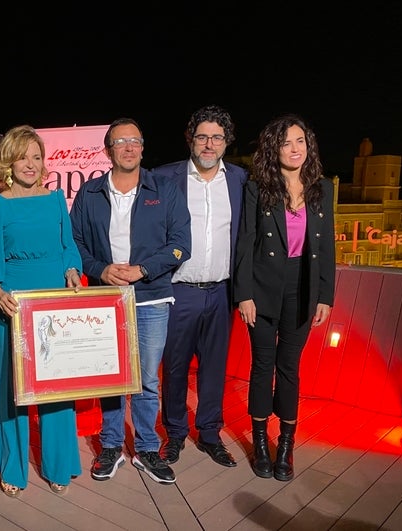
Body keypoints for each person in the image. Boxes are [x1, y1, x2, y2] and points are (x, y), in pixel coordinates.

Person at [70, 118, 191, 485]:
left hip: (151, 299)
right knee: (110, 378)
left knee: (146, 381)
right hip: (105, 299)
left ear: (142, 147)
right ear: (108, 150)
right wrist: (101, 269)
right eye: (119, 142)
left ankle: (147, 449)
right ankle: (111, 445)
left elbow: (181, 244)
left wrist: (142, 269)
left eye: (134, 141)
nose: (127, 147)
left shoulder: (165, 189)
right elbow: (75, 245)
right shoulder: (89, 194)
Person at [0, 125, 84, 498]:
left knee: (56, 386)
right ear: (9, 160)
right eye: (23, 156)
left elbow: (68, 247)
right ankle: (13, 466)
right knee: (14, 391)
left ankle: (58, 464)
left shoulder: (56, 200)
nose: (30, 163)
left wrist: (72, 270)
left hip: (54, 303)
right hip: (13, 306)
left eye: (36, 157)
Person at [233, 113, 335, 482]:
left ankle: (286, 446)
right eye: (286, 142)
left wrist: (326, 295)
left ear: (309, 147)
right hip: (261, 288)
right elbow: (245, 242)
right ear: (273, 148)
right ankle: (260, 442)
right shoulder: (257, 187)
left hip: (303, 288)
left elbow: (327, 247)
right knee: (262, 366)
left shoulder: (323, 187)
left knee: (289, 367)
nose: (295, 149)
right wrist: (243, 294)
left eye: (300, 142)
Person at [155, 105, 248, 468]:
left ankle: (209, 433)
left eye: (216, 137)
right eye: (202, 137)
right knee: (174, 366)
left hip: (223, 292)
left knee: (214, 367)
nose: (209, 144)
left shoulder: (241, 180)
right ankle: (175, 433)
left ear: (226, 142)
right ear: (190, 140)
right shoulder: (165, 178)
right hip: (179, 290)